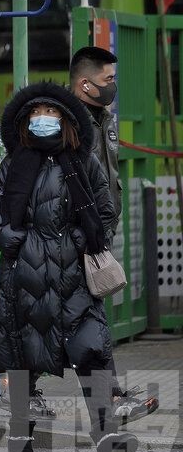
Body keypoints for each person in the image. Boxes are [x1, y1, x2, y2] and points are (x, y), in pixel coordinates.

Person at [0, 82, 138, 452]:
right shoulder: (13, 163)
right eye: (36, 114)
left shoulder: (84, 162)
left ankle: (108, 438)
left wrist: (82, 239)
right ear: (23, 123)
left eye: (51, 114)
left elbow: (106, 211)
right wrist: (13, 240)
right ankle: (20, 437)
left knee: (91, 349)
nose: (43, 120)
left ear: (67, 122)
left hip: (74, 275)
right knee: (22, 352)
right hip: (24, 274)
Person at [69, 47, 159, 427]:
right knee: (72, 330)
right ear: (85, 83)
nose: (113, 87)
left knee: (86, 328)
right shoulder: (68, 123)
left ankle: (109, 407)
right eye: (108, 80)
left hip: (91, 241)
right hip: (70, 243)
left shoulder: (100, 117)